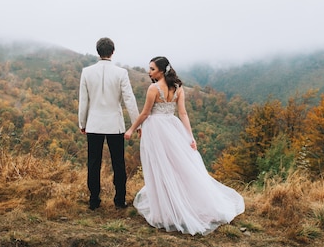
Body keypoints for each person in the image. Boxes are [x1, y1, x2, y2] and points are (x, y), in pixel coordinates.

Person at [125, 56, 244, 235]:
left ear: (161, 71)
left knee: (161, 167)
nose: (149, 72)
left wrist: (131, 129)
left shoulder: (153, 88)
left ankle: (166, 211)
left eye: (152, 69)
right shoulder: (178, 88)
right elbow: (183, 114)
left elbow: (144, 114)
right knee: (178, 167)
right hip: (173, 128)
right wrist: (189, 136)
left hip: (156, 130)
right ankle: (176, 205)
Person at [78, 37, 140, 210]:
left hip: (94, 124)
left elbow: (84, 101)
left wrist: (82, 123)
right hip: (115, 124)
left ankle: (94, 200)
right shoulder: (121, 73)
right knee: (118, 163)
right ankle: (119, 200)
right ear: (113, 51)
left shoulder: (86, 72)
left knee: (93, 163)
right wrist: (137, 125)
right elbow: (129, 100)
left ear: (98, 52)